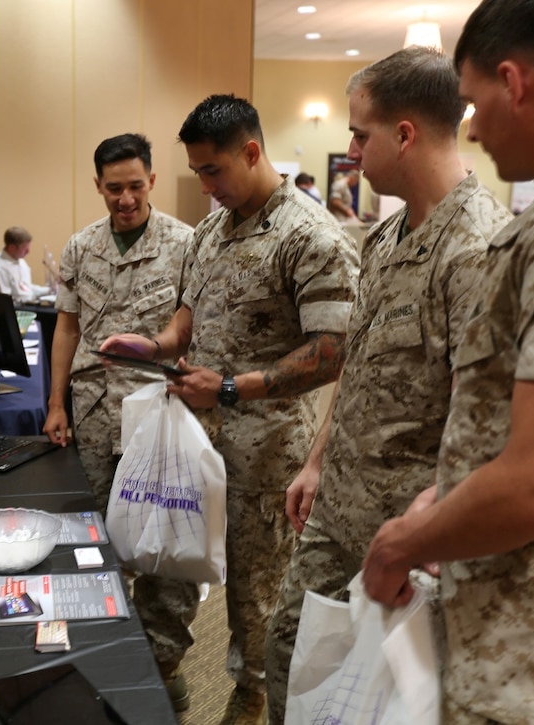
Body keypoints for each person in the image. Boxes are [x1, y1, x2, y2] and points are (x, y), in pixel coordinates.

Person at [361, 2, 534, 723]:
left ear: (513, 83)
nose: (472, 129)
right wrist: (450, 492)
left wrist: (402, 542)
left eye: (472, 102)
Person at [261, 46, 512, 722]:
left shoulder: (477, 250)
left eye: (359, 134)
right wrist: (317, 460)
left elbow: (485, 420)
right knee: (291, 659)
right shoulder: (386, 234)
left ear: (404, 135)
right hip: (339, 508)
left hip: (410, 534)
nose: (350, 151)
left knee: (385, 702)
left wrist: (425, 536)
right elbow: (360, 361)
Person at [102, 95, 358, 724]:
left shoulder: (310, 235)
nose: (205, 185)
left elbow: (333, 351)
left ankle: (249, 699)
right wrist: (154, 346)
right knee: (166, 568)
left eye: (213, 170)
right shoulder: (212, 231)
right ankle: (160, 678)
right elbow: (188, 318)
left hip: (265, 455)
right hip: (192, 441)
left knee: (256, 593)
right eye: (197, 172)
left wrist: (230, 388)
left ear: (251, 152)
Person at [40, 133, 196, 709]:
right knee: (92, 538)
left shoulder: (186, 244)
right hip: (93, 413)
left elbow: (197, 329)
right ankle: (99, 648)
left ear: (151, 180)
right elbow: (67, 328)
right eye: (113, 189)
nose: (125, 199)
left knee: (163, 545)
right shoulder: (81, 247)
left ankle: (162, 659)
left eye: (134, 186)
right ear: (98, 186)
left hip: (158, 415)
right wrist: (56, 403)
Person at [0, 226, 50, 303]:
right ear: (12, 247)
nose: (28, 252)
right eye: (25, 249)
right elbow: (5, 302)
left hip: (27, 302)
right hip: (17, 307)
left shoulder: (20, 261)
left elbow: (26, 288)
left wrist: (49, 290)